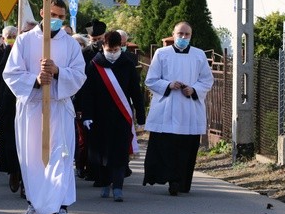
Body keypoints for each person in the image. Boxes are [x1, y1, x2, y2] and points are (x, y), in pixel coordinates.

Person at [3, 0, 86, 214]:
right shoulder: (24, 40)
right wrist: (36, 80)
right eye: (53, 15)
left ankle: (60, 209)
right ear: (42, 12)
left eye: (61, 17)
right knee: (33, 158)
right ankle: (33, 204)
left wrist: (58, 71)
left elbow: (80, 75)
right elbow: (11, 74)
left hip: (58, 107)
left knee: (60, 157)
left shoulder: (70, 44)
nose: (57, 20)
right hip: (32, 107)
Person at [142, 21, 214, 195]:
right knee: (166, 148)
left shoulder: (198, 55)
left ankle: (181, 183)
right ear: (173, 35)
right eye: (180, 34)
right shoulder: (161, 53)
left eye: (186, 34)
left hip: (188, 109)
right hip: (167, 108)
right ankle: (167, 178)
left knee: (185, 149)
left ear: (191, 36)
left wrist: (194, 89)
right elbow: (151, 80)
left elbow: (207, 80)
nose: (183, 37)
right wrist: (168, 84)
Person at [81, 30, 146, 202]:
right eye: (109, 50)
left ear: (121, 48)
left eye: (116, 49)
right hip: (99, 117)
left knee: (119, 152)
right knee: (102, 153)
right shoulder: (95, 64)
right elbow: (87, 93)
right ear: (103, 47)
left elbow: (136, 92)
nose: (112, 53)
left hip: (121, 116)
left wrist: (141, 117)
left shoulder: (127, 63)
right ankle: (104, 183)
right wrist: (86, 115)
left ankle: (118, 187)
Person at [0, 25, 24, 197]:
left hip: (26, 99)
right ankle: (14, 172)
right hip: (7, 101)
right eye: (8, 35)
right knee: (10, 140)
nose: (12, 37)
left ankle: (26, 180)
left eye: (14, 35)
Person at [76, 18, 106, 183]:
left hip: (104, 102)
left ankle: (100, 171)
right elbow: (79, 81)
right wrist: (79, 106)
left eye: (100, 39)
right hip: (86, 101)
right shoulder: (84, 53)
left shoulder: (109, 53)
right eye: (94, 40)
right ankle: (84, 167)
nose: (97, 43)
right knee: (86, 139)